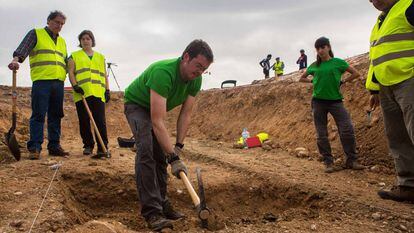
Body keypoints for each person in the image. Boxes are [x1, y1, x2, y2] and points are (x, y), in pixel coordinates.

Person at [124, 39, 213, 231]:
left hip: (154, 112)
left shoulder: (195, 80)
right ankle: (152, 212)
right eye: (198, 66)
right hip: (137, 105)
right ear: (186, 57)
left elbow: (186, 114)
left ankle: (162, 203)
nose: (199, 72)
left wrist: (178, 147)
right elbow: (157, 121)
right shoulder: (163, 72)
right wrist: (172, 156)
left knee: (161, 156)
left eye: (203, 69)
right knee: (146, 150)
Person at [366, 0, 414, 202]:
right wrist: (373, 88)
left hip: (409, 78)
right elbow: (376, 58)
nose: (373, 0)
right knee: (397, 136)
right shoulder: (380, 22)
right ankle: (408, 185)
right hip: (386, 86)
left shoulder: (409, 6)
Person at [8, 10, 69, 160]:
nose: (59, 26)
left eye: (62, 24)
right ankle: (35, 147)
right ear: (48, 21)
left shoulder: (62, 42)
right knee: (39, 114)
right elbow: (23, 48)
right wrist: (16, 60)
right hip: (42, 81)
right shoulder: (36, 33)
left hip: (59, 83)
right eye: (56, 22)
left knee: (56, 115)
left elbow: (65, 62)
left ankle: (54, 146)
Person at [299, 37, 365, 173]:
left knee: (347, 129)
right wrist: (313, 82)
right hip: (318, 102)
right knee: (321, 133)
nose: (320, 50)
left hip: (336, 101)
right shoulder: (314, 65)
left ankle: (351, 160)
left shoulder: (338, 63)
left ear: (328, 47)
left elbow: (356, 73)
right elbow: (302, 78)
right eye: (317, 48)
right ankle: (328, 162)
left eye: (322, 47)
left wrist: (344, 81)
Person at [67, 30, 110, 158]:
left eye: (88, 38)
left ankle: (103, 147)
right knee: (84, 120)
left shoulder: (100, 57)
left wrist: (107, 90)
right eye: (83, 39)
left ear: (92, 41)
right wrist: (75, 86)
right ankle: (88, 145)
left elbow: (104, 75)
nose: (86, 41)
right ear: (80, 41)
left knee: (100, 121)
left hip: (98, 93)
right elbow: (71, 72)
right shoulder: (74, 56)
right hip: (82, 94)